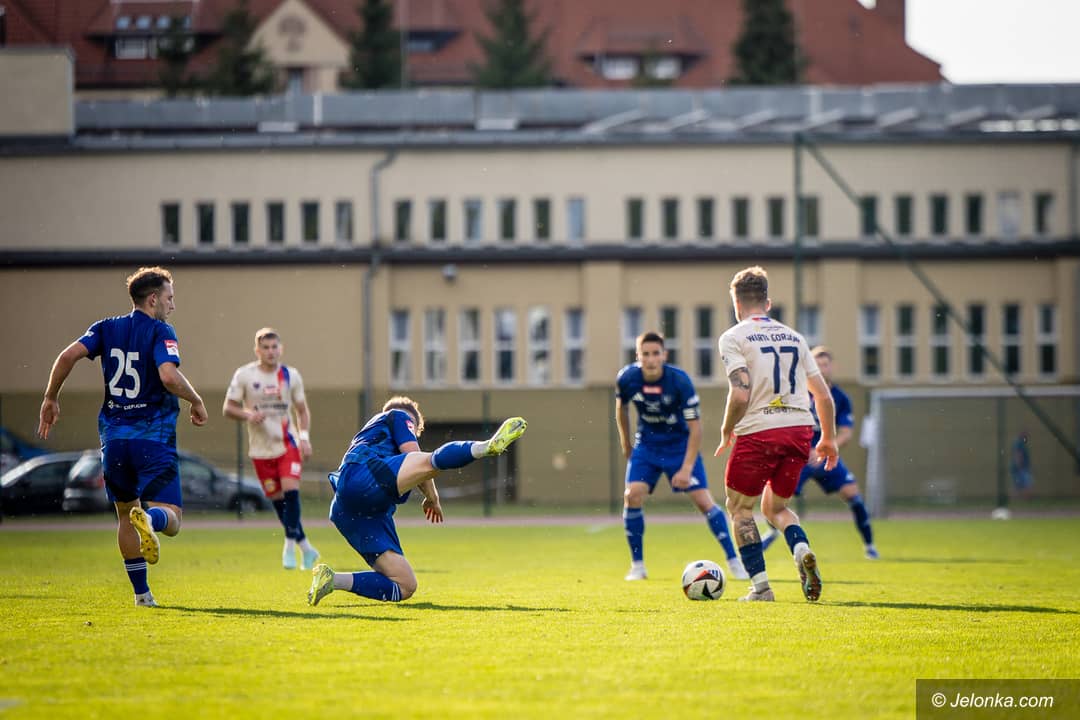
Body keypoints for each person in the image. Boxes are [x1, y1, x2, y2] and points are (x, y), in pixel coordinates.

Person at [38, 266, 208, 607]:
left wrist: (50, 397)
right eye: (170, 298)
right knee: (171, 518)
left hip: (114, 441)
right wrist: (196, 400)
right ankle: (150, 520)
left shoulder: (105, 327)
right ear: (153, 299)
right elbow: (168, 375)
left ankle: (141, 595)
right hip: (153, 439)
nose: (173, 305)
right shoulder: (161, 330)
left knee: (125, 515)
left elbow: (67, 355)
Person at [307, 397, 527, 606]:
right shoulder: (399, 415)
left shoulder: (372, 433)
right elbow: (417, 457)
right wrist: (433, 498)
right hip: (364, 476)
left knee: (405, 585)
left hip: (349, 510)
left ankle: (332, 580)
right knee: (431, 462)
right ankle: (485, 446)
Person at [715, 266, 838, 602]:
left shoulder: (733, 337)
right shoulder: (795, 338)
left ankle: (761, 588)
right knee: (776, 508)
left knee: (740, 509)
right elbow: (823, 396)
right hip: (799, 431)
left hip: (759, 432)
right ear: (768, 303)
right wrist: (828, 439)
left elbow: (740, 393)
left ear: (736, 304)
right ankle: (801, 549)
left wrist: (727, 429)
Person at [616, 331, 747, 582]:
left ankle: (734, 560)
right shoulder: (627, 378)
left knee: (704, 502)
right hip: (647, 446)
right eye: (645, 354)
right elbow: (621, 408)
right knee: (632, 495)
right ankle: (637, 566)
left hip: (679, 446)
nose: (651, 359)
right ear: (637, 356)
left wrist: (686, 468)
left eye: (656, 353)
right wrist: (626, 443)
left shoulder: (679, 381)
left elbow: (695, 428)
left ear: (664, 355)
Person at [761, 347, 878, 559]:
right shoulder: (796, 393)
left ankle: (870, 546)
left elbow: (846, 433)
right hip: (799, 457)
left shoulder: (840, 398)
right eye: (818, 364)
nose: (822, 369)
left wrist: (827, 446)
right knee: (774, 499)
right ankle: (772, 531)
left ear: (832, 367)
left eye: (825, 364)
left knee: (854, 496)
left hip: (826, 458)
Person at [224, 328, 319, 570]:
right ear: (257, 350)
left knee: (291, 494)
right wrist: (248, 415)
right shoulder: (245, 375)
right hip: (260, 450)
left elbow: (302, 410)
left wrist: (304, 438)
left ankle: (289, 546)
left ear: (281, 349)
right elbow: (228, 408)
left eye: (274, 347)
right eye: (265, 347)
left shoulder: (290, 375)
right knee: (279, 503)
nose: (270, 352)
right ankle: (307, 549)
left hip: (287, 444)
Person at [1009, 431, 1033, 500]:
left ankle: (1017, 498)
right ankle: (1026, 498)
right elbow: (1018, 455)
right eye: (1026, 437)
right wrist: (1019, 466)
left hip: (1020, 468)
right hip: (1021, 468)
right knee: (1027, 483)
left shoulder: (1019, 443)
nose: (1027, 439)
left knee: (1018, 485)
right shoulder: (1019, 443)